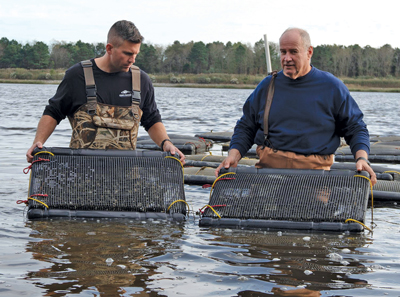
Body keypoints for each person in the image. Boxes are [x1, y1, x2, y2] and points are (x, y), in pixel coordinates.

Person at [216, 27, 376, 185]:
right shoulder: (267, 86)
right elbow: (246, 126)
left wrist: (361, 158)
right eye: (283, 52)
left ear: (309, 52)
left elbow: (356, 128)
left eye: (293, 51)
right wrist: (233, 156)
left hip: (316, 179)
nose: (286, 58)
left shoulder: (332, 87)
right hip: (268, 177)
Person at [26, 20, 184, 163]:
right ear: (109, 48)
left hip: (125, 178)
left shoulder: (142, 81)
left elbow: (151, 119)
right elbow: (53, 112)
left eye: (136, 54)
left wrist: (166, 143)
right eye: (128, 53)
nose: (133, 59)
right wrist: (38, 142)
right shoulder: (77, 76)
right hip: (81, 175)